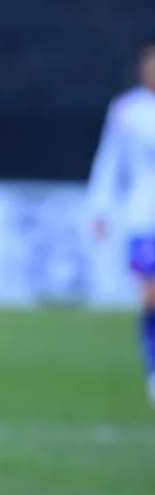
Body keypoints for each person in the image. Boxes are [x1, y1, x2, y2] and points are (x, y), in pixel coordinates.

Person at [87, 41, 155, 406]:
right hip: (144, 218)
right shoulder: (127, 109)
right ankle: (153, 368)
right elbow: (110, 162)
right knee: (151, 296)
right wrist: (100, 209)